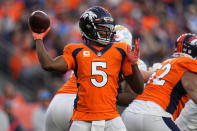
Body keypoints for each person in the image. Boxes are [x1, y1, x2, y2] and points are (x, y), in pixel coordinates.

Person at [29, 6, 144, 131]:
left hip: (110, 117)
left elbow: (139, 89)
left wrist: (134, 64)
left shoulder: (121, 49)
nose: (107, 32)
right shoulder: (75, 50)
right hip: (83, 117)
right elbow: (48, 65)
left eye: (109, 28)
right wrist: (38, 39)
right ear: (88, 28)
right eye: (102, 28)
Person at [121, 33, 197, 131]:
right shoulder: (189, 65)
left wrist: (125, 67)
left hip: (130, 113)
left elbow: (143, 75)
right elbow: (192, 88)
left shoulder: (166, 63)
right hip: (156, 116)